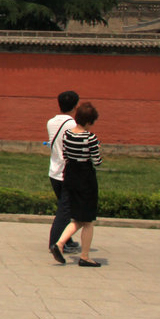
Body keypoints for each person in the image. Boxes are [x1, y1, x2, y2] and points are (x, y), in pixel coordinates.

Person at [50, 102, 103, 267]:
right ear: (89, 122)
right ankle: (85, 256)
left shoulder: (67, 134)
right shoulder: (90, 138)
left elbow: (66, 154)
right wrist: (97, 149)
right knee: (87, 220)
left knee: (77, 217)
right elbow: (97, 161)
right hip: (85, 178)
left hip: (70, 175)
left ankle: (59, 244)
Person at [46, 91, 81, 254]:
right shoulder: (73, 125)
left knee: (65, 206)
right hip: (67, 173)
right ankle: (55, 243)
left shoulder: (51, 122)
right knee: (65, 211)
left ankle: (67, 239)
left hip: (54, 171)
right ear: (75, 106)